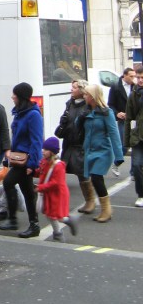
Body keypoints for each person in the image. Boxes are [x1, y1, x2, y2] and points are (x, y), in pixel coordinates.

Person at [0, 82, 43, 238]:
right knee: (27, 192)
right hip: (19, 159)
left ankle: (13, 219)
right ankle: (33, 225)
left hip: (26, 161)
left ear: (21, 96)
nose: (12, 97)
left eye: (14, 94)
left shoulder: (33, 115)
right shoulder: (20, 113)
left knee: (8, 182)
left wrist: (32, 163)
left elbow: (37, 141)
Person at [81, 83, 124, 223]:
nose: (84, 96)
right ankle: (97, 206)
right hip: (89, 150)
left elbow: (114, 134)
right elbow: (78, 128)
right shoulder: (87, 111)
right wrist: (80, 117)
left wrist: (119, 156)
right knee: (92, 178)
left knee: (96, 178)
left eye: (86, 94)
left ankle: (106, 210)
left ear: (93, 96)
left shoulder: (107, 112)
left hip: (103, 151)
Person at [55, 79, 94, 213]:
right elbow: (66, 122)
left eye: (74, 87)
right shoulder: (70, 104)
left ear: (82, 90)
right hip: (68, 143)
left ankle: (90, 201)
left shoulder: (88, 106)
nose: (71, 89)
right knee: (59, 171)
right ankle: (58, 202)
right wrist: (63, 123)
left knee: (82, 174)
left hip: (80, 145)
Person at [36, 136, 78, 242]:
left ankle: (66, 223)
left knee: (56, 216)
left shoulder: (58, 166)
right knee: (50, 214)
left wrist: (40, 187)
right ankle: (58, 233)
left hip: (57, 195)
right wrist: (33, 172)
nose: (43, 151)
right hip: (49, 193)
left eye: (46, 150)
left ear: (52, 152)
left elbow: (55, 183)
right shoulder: (45, 162)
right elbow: (42, 173)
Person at [107, 67, 135, 175]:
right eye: (131, 76)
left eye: (134, 76)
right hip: (123, 119)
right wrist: (117, 113)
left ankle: (133, 172)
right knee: (124, 144)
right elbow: (110, 104)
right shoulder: (115, 87)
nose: (133, 79)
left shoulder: (135, 87)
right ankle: (116, 163)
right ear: (124, 75)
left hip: (135, 119)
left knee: (136, 144)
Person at [124, 69, 143, 207]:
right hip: (138, 137)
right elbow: (129, 118)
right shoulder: (134, 94)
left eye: (142, 77)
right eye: (138, 77)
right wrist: (127, 141)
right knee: (136, 165)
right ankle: (141, 194)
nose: (140, 80)